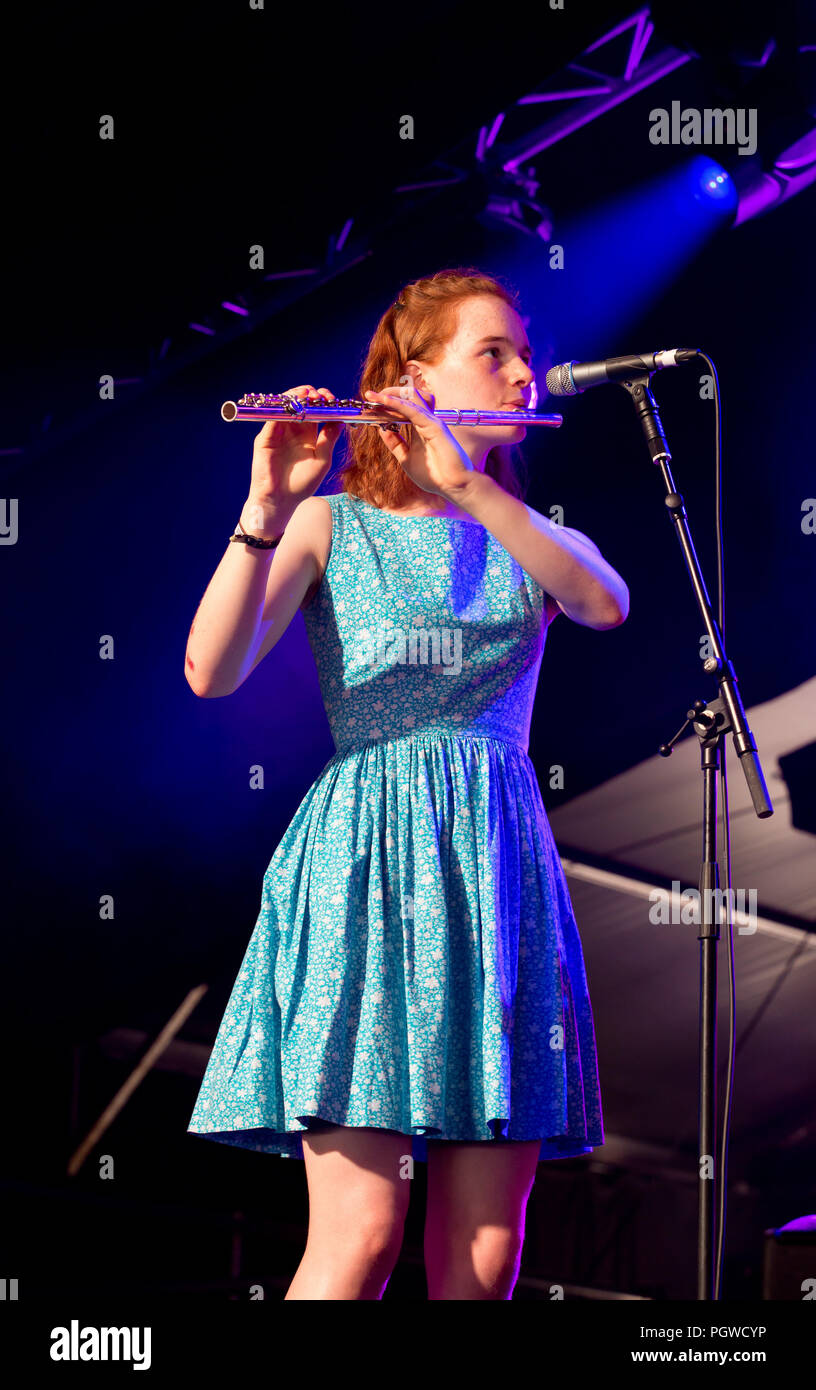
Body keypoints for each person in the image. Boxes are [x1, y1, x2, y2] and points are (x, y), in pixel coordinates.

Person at [185, 267, 629, 1300]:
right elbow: (210, 671)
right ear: (416, 378)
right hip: (368, 868)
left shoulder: (530, 536)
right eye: (496, 353)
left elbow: (604, 603)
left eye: (525, 352)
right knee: (363, 1236)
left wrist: (471, 483)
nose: (525, 373)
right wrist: (266, 502)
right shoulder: (332, 524)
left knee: (484, 1258)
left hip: (494, 869)